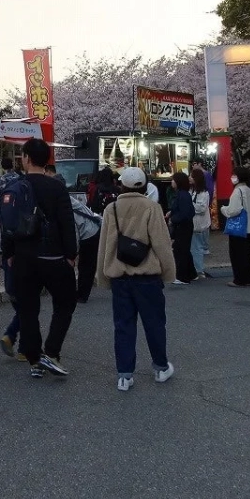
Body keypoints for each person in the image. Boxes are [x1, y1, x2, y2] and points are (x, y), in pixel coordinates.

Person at [1, 138, 79, 378]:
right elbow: (67, 221)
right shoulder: (57, 187)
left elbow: (8, 224)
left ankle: (34, 360)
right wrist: (71, 254)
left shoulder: (15, 187)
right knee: (65, 304)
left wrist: (9, 253)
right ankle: (52, 353)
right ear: (47, 160)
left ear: (26, 158)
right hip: (54, 256)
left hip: (24, 257)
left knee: (27, 309)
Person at [96, 166, 176, 392]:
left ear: (121, 185)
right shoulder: (152, 207)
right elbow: (162, 243)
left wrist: (102, 275)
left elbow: (105, 245)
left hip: (120, 277)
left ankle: (124, 375)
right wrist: (168, 272)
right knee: (155, 323)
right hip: (147, 276)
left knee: (123, 326)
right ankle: (160, 368)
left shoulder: (111, 209)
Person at [221, 166, 250, 287]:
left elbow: (233, 210)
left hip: (238, 228)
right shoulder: (248, 190)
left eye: (234, 175)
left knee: (236, 254)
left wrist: (223, 209)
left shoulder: (237, 191)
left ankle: (239, 279)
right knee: (246, 254)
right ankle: (247, 278)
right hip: (248, 227)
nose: (232, 177)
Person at [70, 192, 102, 302]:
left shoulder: (67, 209)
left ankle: (82, 295)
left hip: (89, 234)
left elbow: (75, 234)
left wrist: (73, 253)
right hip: (93, 229)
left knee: (86, 266)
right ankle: (82, 293)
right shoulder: (72, 202)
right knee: (87, 266)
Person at [167, 171, 197, 285]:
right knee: (184, 250)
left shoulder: (183, 195)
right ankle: (192, 273)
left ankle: (183, 277)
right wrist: (171, 213)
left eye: (173, 180)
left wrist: (173, 218)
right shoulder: (182, 194)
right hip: (184, 226)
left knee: (180, 250)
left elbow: (185, 213)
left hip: (183, 226)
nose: (172, 182)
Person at [190, 168, 213, 280]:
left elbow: (202, 208)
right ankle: (197, 269)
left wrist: (189, 205)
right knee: (195, 247)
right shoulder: (193, 191)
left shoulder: (204, 193)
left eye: (192, 176)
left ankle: (199, 270)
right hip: (196, 224)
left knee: (197, 248)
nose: (190, 178)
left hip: (200, 225)